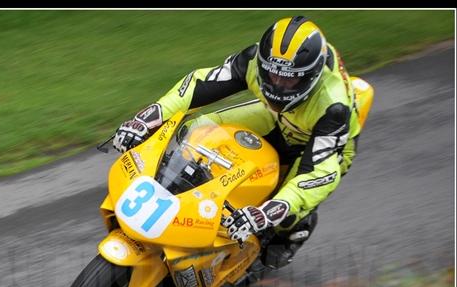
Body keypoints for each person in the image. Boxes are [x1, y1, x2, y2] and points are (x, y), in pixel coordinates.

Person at [112, 16, 362, 269]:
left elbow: (322, 173)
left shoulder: (333, 106)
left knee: (285, 216)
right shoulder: (254, 59)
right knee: (195, 129)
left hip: (324, 140)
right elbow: (199, 84)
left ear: (312, 76)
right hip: (275, 116)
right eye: (272, 75)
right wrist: (147, 118)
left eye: (290, 79)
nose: (278, 85)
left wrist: (267, 212)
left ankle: (294, 232)